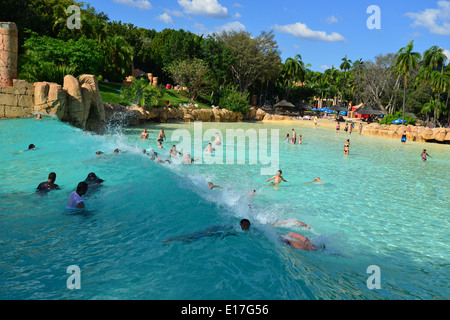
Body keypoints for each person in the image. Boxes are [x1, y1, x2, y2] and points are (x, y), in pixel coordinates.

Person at [164, 219, 250, 244]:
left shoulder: (235, 227)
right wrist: (209, 231)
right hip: (209, 234)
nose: (247, 228)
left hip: (212, 234)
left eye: (248, 226)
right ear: (242, 225)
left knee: (191, 239)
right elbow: (217, 227)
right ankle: (171, 239)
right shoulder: (234, 229)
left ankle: (173, 240)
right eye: (246, 226)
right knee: (192, 237)